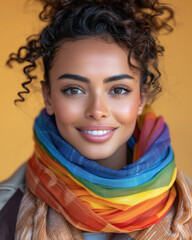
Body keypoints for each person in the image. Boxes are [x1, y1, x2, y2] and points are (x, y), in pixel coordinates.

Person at [0, 0, 192, 239]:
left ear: (141, 98)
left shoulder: (188, 209)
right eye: (74, 90)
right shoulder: (5, 210)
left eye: (119, 89)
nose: (97, 110)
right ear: (48, 97)